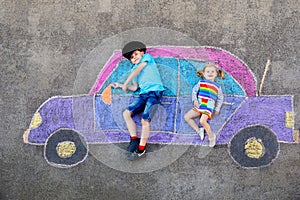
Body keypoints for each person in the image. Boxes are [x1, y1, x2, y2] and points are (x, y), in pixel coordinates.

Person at [111, 41, 165, 160]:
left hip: (155, 92)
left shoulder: (147, 58)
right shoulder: (133, 69)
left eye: (135, 54)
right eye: (131, 57)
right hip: (143, 94)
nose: (134, 57)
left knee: (145, 119)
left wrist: (125, 83)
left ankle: (141, 149)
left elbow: (139, 69)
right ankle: (134, 140)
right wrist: (120, 85)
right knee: (126, 113)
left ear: (141, 52)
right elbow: (134, 87)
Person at [184, 63, 224, 147]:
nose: (210, 73)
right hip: (200, 105)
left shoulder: (217, 87)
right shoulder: (201, 83)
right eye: (208, 71)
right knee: (187, 117)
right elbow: (194, 91)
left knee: (202, 121)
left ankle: (211, 136)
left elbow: (220, 98)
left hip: (208, 107)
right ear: (203, 74)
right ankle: (199, 130)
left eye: (212, 71)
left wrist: (217, 109)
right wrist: (194, 100)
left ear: (216, 74)